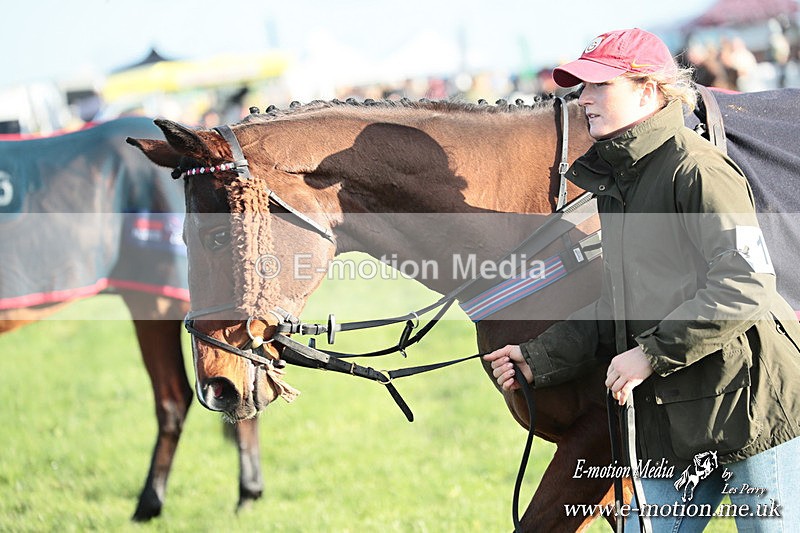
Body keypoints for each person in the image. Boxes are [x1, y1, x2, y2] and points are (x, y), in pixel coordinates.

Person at [484, 28, 800, 532]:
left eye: (598, 86)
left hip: (753, 410)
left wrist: (651, 354)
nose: (582, 99)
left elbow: (745, 286)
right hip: (672, 420)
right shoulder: (619, 182)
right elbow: (620, 303)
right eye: (581, 87)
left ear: (649, 90)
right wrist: (538, 357)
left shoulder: (697, 169)